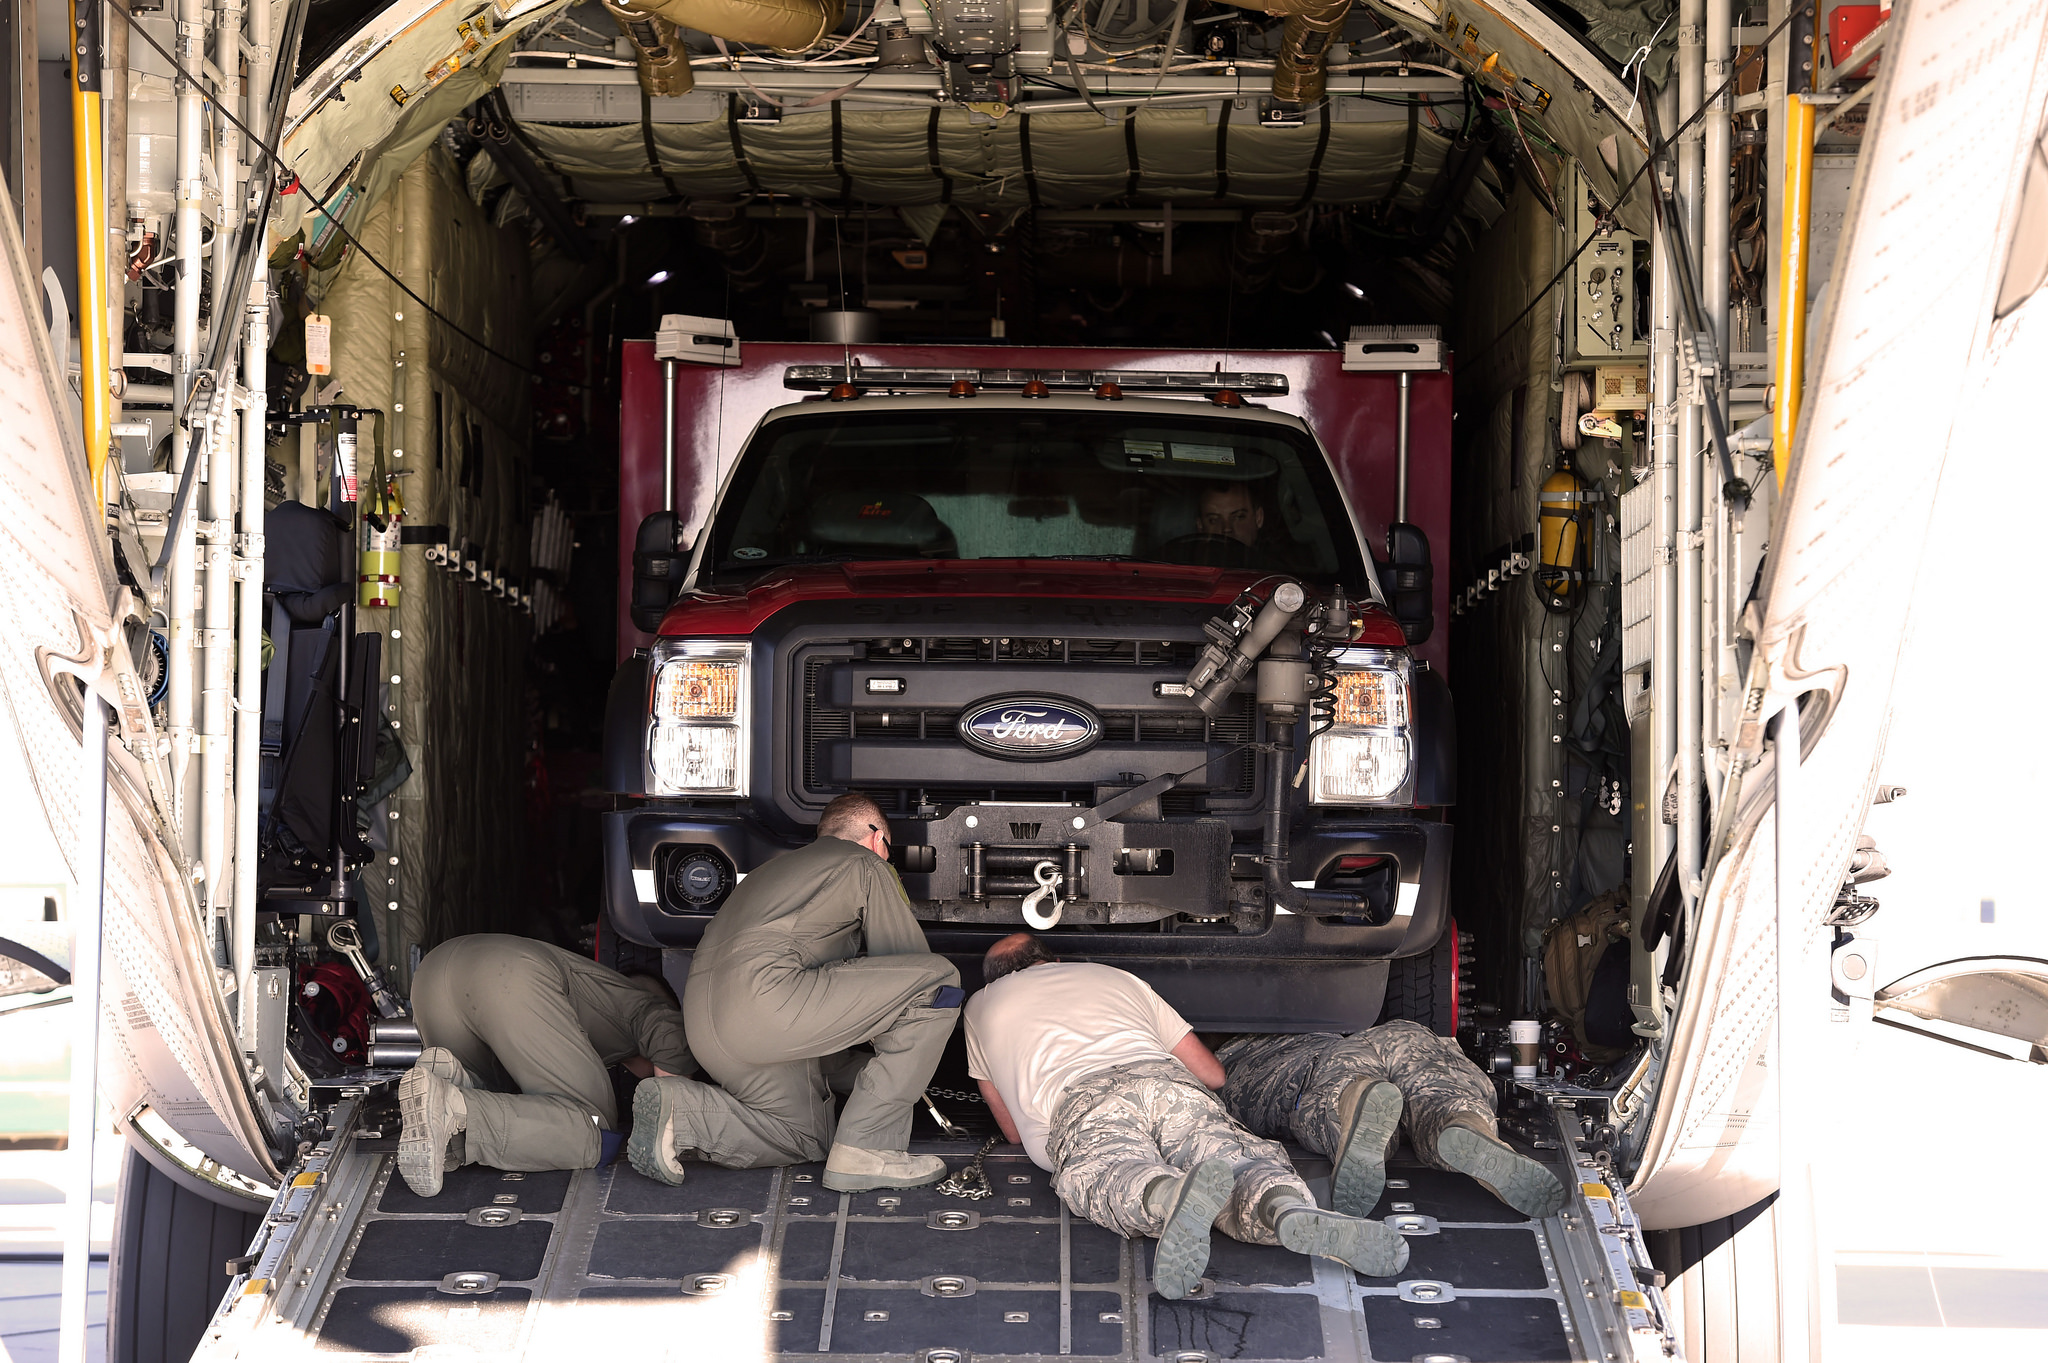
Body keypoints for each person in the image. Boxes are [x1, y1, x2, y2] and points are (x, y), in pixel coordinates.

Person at [964, 933, 1408, 1300]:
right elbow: (1213, 1075)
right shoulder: (1114, 977)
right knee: (1229, 1154)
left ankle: (1168, 1195)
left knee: (1109, 1169)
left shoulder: (980, 1007)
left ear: (994, 980)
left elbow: (1011, 1131)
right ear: (1052, 960)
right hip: (1166, 1082)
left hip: (1082, 1104)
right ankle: (1283, 1206)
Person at [629, 793, 962, 1192]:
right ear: (876, 839)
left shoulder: (769, 873)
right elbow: (906, 974)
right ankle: (868, 1150)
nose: (886, 859)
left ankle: (683, 1114)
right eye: (887, 851)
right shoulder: (865, 864)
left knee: (805, 1135)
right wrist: (909, 1067)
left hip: (706, 1026)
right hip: (768, 1005)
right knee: (937, 982)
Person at [397, 934, 692, 1197]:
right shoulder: (647, 1005)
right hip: (508, 977)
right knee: (595, 1132)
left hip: (432, 974)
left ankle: (452, 1082)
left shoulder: (593, 1009)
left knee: (502, 1097)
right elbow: (671, 1038)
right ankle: (454, 1104)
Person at [1218, 1025, 1567, 1219]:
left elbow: (1208, 1074)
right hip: (1389, 1033)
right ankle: (1467, 1125)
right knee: (1437, 1082)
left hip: (1284, 1055)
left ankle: (1354, 1106)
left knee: (1334, 1085)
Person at [1195, 482, 1264, 547]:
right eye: (1213, 520)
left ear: (1258, 518)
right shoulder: (1186, 558)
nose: (1226, 529)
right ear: (1200, 525)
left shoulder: (1271, 559)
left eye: (1239, 517)